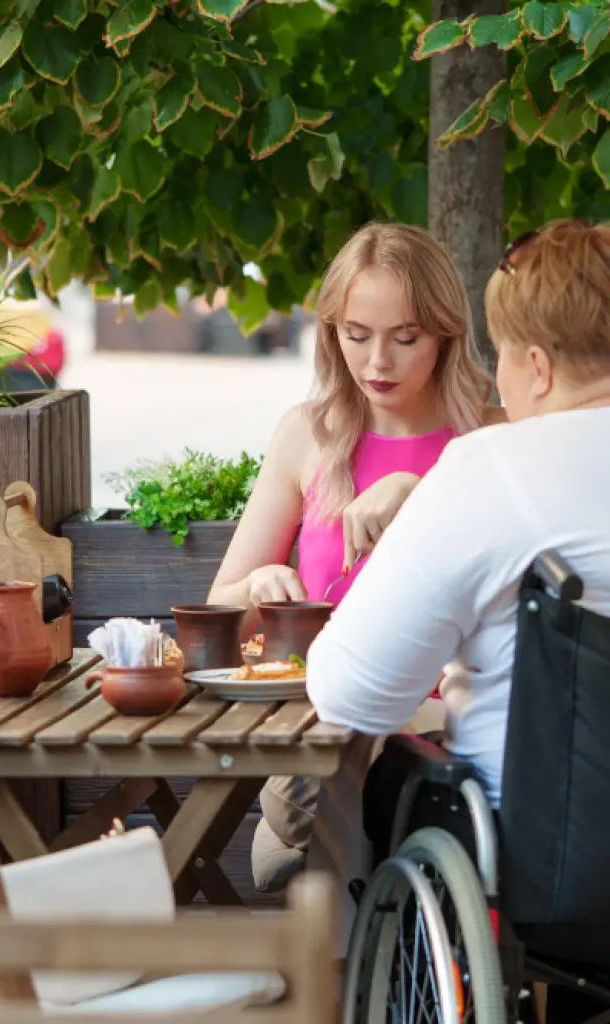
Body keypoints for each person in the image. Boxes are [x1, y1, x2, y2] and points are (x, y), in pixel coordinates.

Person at [306, 219, 610, 1024]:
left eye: (500, 355)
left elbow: (350, 693)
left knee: (389, 785)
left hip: (555, 870)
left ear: (537, 366)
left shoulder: (492, 470)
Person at [208, 221, 502, 892]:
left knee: (345, 774)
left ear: (445, 333)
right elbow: (219, 609)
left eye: (405, 338)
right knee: (339, 755)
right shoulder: (307, 434)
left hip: (447, 724)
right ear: (330, 332)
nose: (377, 363)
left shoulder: (490, 438)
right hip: (331, 718)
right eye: (356, 335)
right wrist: (260, 583)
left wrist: (419, 492)